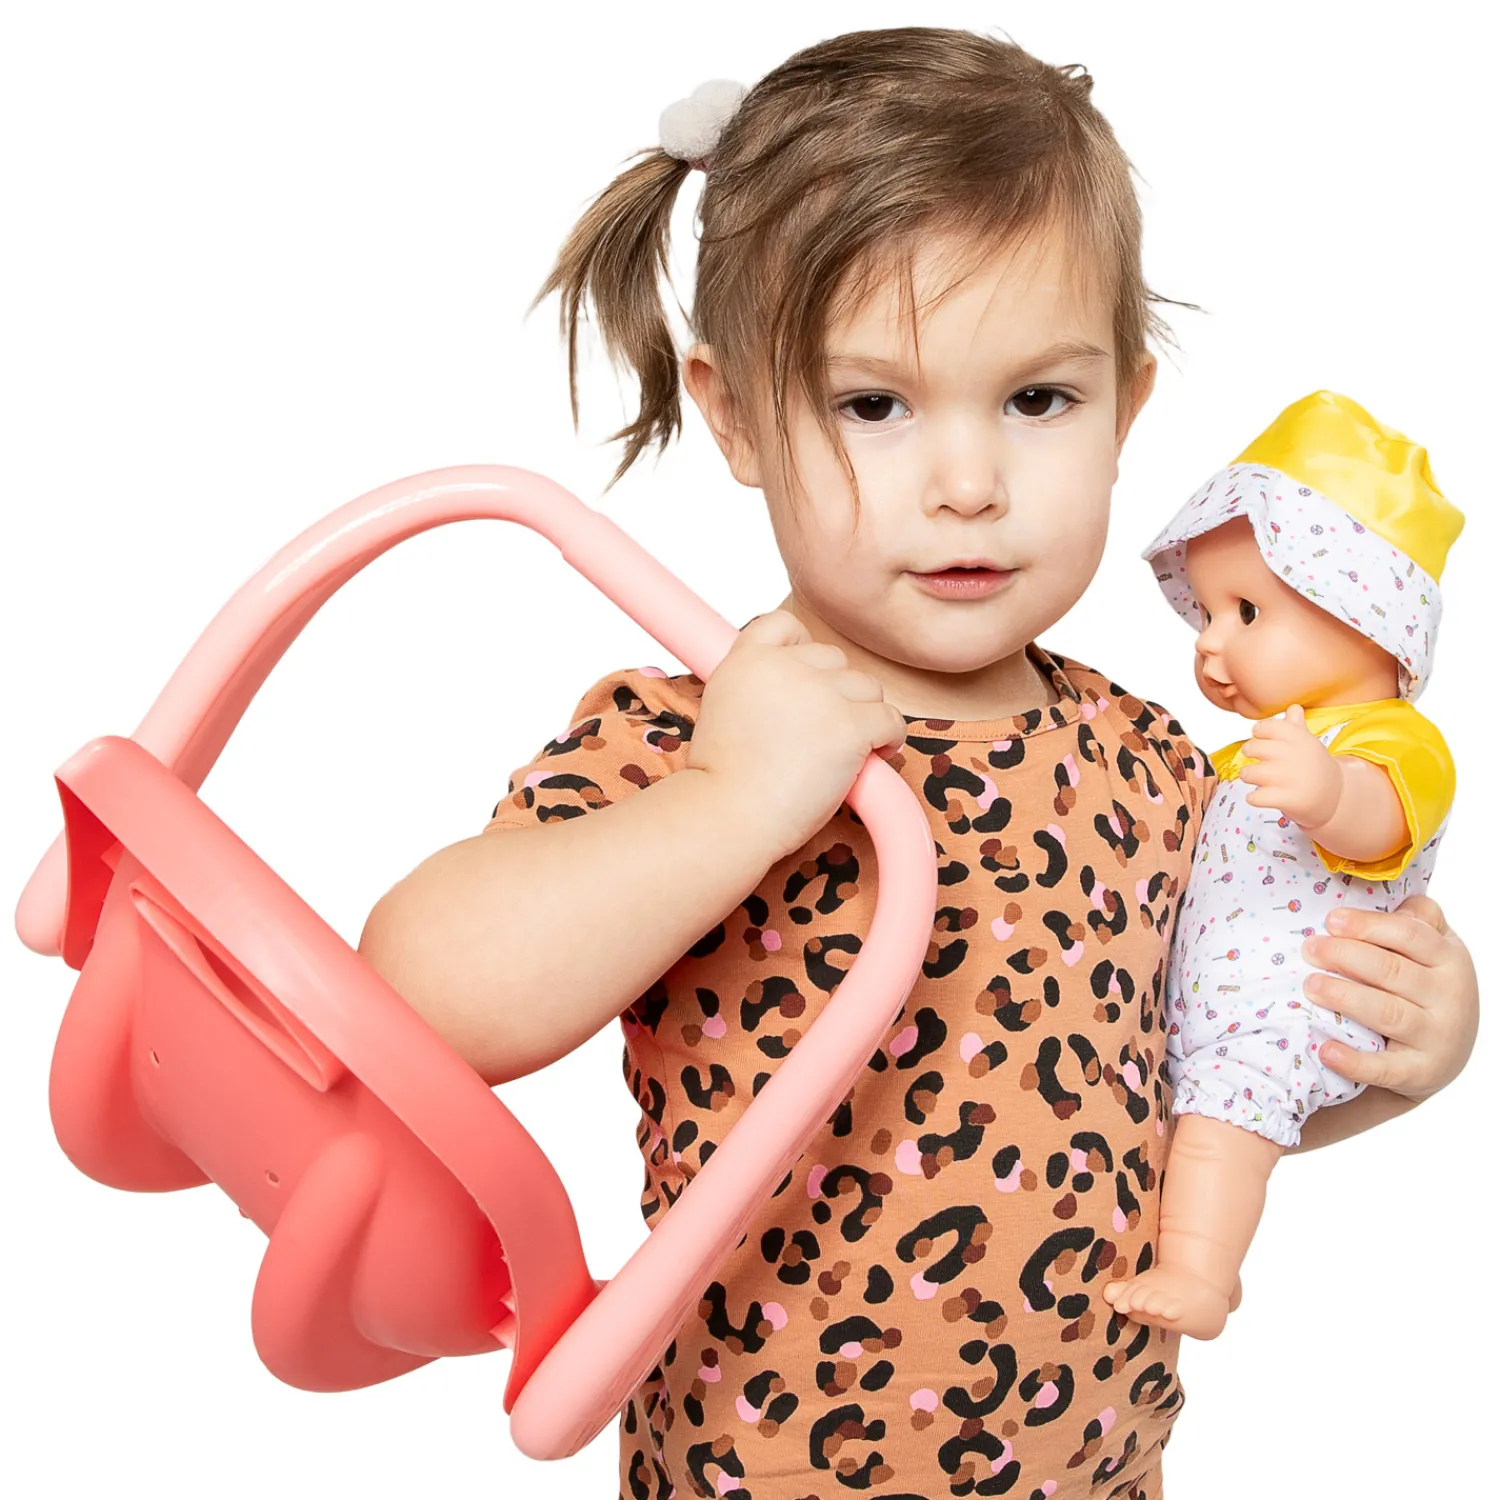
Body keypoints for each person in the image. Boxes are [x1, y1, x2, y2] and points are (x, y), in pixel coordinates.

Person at [356, 29, 1479, 1499]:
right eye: (873, 405)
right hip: (755, 1470)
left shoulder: (1155, 768)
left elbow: (1190, 1093)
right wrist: (727, 807)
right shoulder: (693, 732)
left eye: (1038, 400)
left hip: (1094, 1471)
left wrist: (1403, 1060)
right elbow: (421, 996)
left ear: (1128, 411)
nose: (968, 483)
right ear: (737, 415)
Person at [1102, 391, 1462, 1340]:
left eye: (1248, 611)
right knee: (1197, 1128)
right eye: (1207, 613)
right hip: (1206, 1011)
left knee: (1226, 1122)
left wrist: (1330, 793)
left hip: (1293, 1010)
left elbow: (1382, 819)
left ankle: (1199, 1271)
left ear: (1368, 618)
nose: (1210, 642)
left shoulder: (1395, 739)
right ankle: (1192, 1248)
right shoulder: (1239, 758)